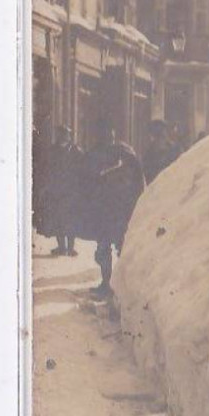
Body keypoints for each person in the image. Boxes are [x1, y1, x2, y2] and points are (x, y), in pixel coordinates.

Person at [79, 124, 144, 298]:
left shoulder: (125, 152)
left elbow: (137, 180)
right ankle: (106, 283)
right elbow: (87, 180)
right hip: (103, 209)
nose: (107, 138)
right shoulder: (95, 154)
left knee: (122, 248)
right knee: (103, 249)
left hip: (121, 209)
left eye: (109, 135)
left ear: (114, 136)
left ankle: (125, 287)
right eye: (104, 135)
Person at [39, 125, 83, 257]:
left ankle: (70, 248)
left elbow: (82, 170)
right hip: (56, 190)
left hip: (71, 191)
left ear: (69, 137)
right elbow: (46, 169)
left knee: (71, 219)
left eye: (66, 135)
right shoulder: (52, 151)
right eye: (61, 135)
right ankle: (61, 247)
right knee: (58, 218)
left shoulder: (76, 151)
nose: (64, 137)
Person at [142, 119, 182, 185]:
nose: (161, 139)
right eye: (158, 136)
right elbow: (147, 175)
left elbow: (180, 169)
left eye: (163, 135)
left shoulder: (175, 150)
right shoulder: (149, 155)